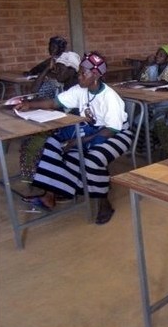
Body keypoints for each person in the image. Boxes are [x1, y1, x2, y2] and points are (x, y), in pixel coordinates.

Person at [15, 52, 129, 225]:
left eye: (84, 73)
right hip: (89, 128)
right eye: (80, 72)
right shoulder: (80, 90)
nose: (79, 75)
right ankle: (50, 195)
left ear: (96, 75)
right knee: (53, 143)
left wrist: (79, 141)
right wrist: (29, 105)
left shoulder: (109, 97)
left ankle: (103, 202)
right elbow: (54, 103)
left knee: (93, 159)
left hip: (117, 132)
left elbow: (111, 130)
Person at [19, 51, 81, 183]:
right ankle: (38, 178)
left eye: (60, 69)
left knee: (38, 142)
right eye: (56, 68)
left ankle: (50, 180)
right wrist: (47, 68)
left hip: (75, 129)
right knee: (31, 140)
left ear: (71, 71)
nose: (56, 72)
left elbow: (75, 117)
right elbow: (35, 92)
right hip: (61, 125)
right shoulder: (61, 84)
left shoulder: (77, 88)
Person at [135, 44, 168, 153]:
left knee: (152, 123)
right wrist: (145, 64)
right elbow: (138, 78)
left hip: (167, 104)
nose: (157, 57)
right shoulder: (152, 68)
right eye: (157, 54)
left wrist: (142, 83)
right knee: (137, 120)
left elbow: (163, 83)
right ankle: (139, 148)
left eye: (161, 55)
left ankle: (149, 149)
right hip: (152, 103)